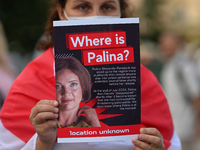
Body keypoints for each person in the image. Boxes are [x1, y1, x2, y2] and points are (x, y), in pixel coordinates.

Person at [0, 0, 181, 150]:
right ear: (62, 13)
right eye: (83, 7)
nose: (97, 16)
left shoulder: (143, 80)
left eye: (107, 7)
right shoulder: (31, 80)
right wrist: (41, 143)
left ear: (121, 13)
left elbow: (172, 144)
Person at [159, 32, 200, 150]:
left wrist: (198, 124)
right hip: (174, 127)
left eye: (167, 45)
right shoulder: (170, 65)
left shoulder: (184, 65)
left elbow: (196, 96)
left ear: (177, 44)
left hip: (186, 128)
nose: (164, 48)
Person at [55, 57, 100, 128]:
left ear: (83, 88)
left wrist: (95, 122)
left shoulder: (91, 126)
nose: (66, 93)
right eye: (58, 86)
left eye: (73, 84)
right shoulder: (43, 122)